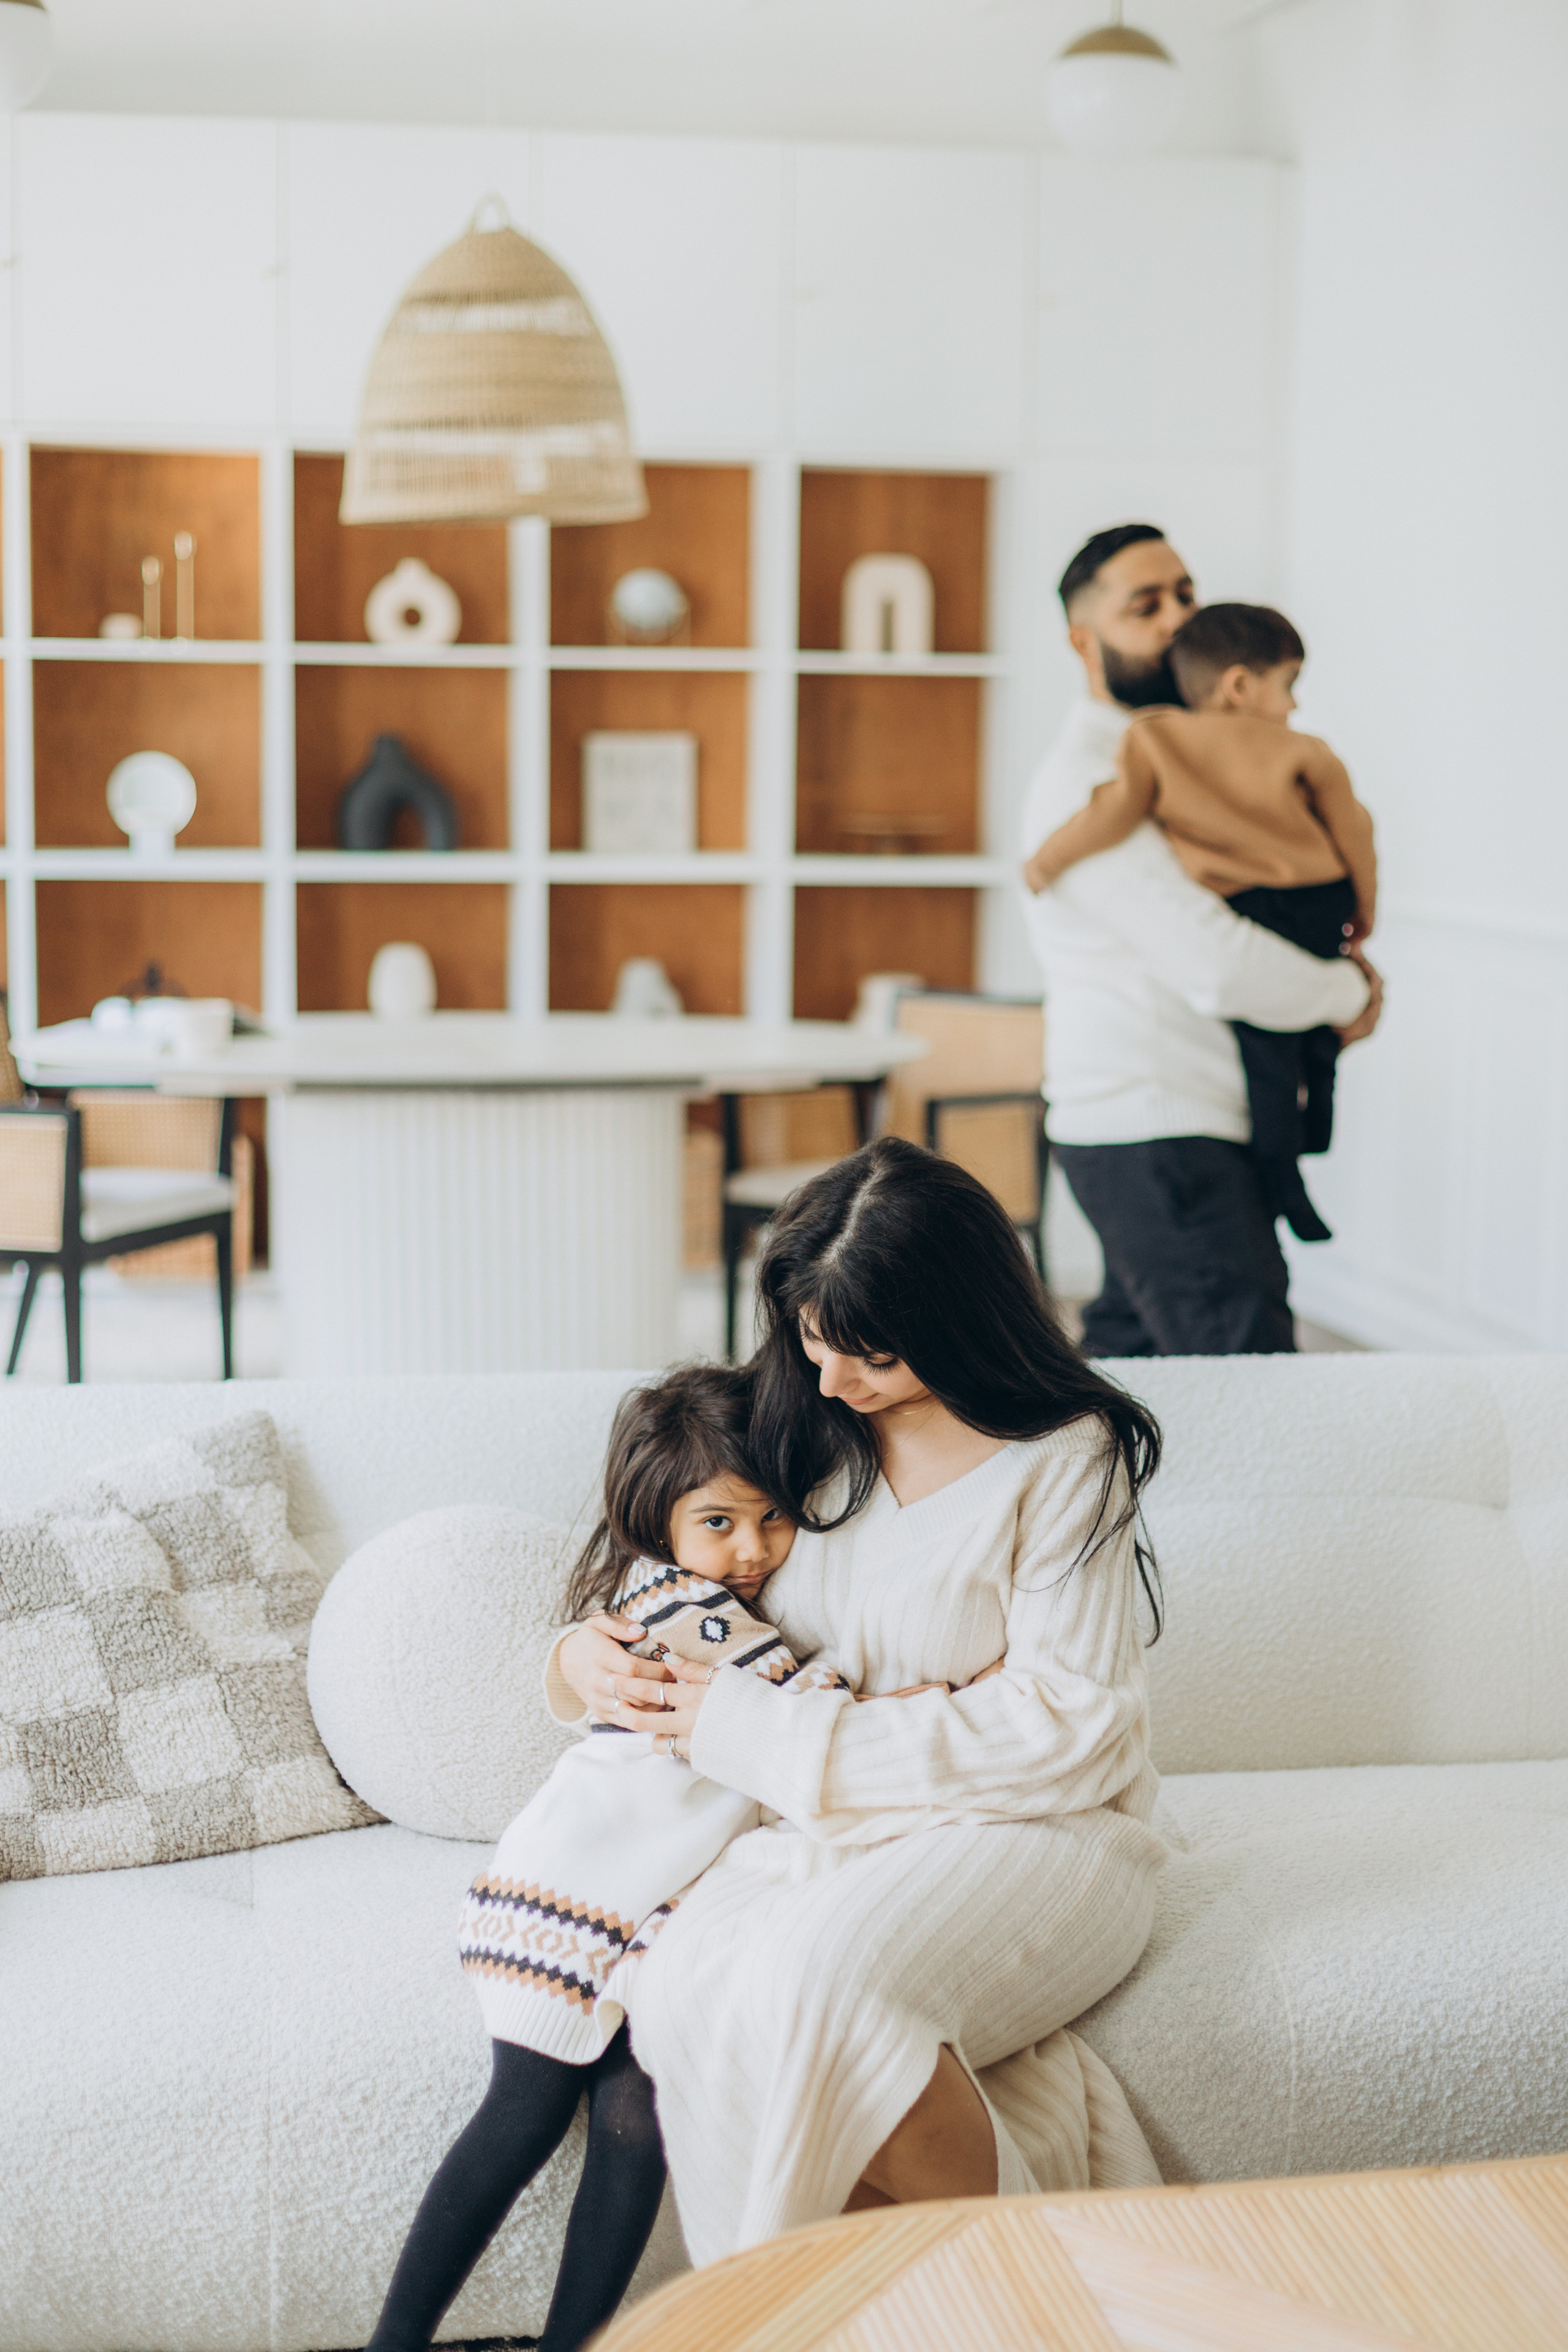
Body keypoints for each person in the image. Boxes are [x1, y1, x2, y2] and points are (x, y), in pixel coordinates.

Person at [551, 1137, 1169, 2266]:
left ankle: (1043, 2297)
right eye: (811, 1338)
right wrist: (578, 1659)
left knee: (817, 1986)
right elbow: (662, 1562)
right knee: (685, 1984)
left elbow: (1075, 1731)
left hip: (1043, 1832)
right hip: (824, 1832)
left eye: (872, 1356)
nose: (833, 1378)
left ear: (959, 1322)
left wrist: (772, 1732)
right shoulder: (795, 1422)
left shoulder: (1063, 1458)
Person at [368, 1365, 981, 2352]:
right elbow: (791, 1705)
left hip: (644, 1916)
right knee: (520, 2118)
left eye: (773, 1518)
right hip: (570, 1895)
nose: (752, 1549)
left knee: (640, 2122)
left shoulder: (719, 1595)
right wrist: (919, 1700)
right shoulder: (675, 1604)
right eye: (719, 1522)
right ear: (658, 1522)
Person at [1019, 524, 1383, 1355]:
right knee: (1251, 1379)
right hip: (1158, 1131)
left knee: (1139, 1376)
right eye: (1145, 606)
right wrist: (1351, 992)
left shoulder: (1195, 757)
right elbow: (1217, 965)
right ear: (1084, 641)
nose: (1178, 619)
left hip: (1179, 1125)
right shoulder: (1090, 779)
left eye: (1186, 595)